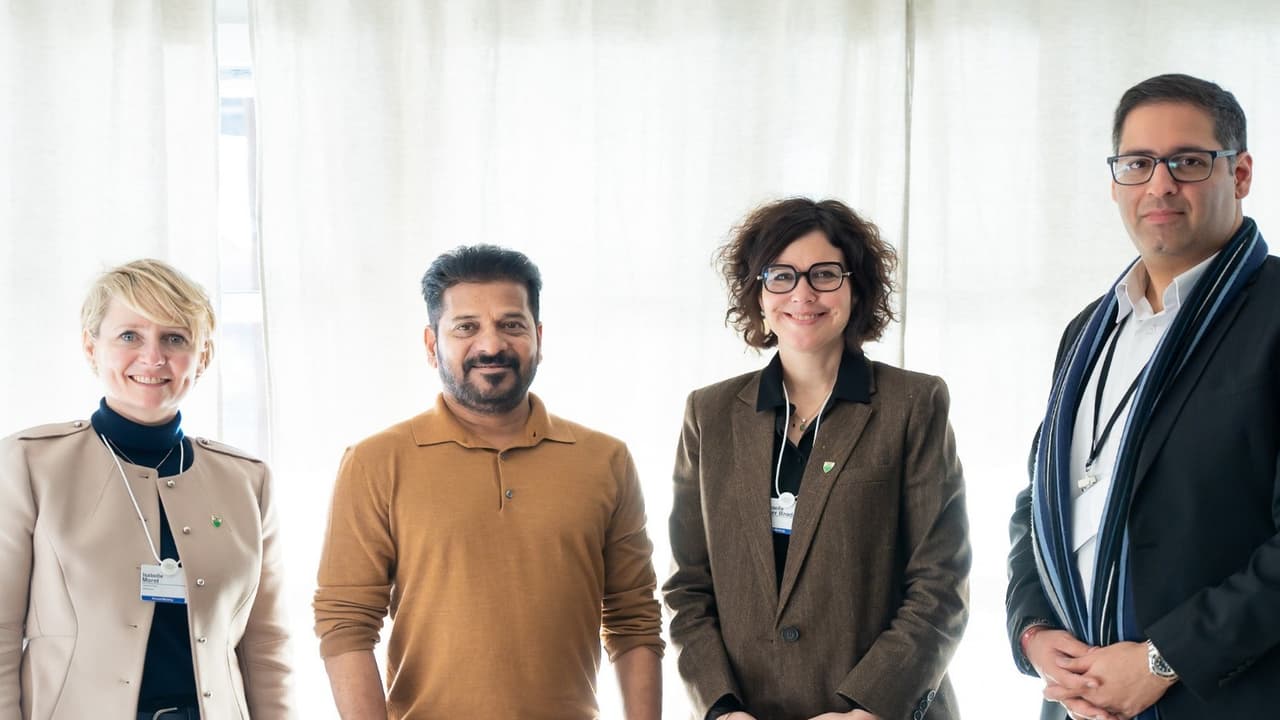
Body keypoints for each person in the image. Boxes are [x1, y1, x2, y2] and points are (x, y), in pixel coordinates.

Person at [1006, 73, 1279, 720]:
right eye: (1138, 164)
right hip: (1077, 702)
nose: (1160, 185)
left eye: (1187, 161)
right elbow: (1041, 500)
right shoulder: (1088, 331)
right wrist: (1033, 632)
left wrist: (1163, 659)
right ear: (1116, 182)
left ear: (1240, 173)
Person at [314, 244, 664, 720]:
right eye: (466, 327)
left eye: (512, 325)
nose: (491, 345)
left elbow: (633, 619)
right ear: (431, 344)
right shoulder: (374, 462)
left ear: (539, 337)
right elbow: (345, 623)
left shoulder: (605, 459)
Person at [664, 198, 970, 720]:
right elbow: (687, 588)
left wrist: (868, 709)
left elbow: (940, 585)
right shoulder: (709, 414)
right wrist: (720, 708)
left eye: (824, 274)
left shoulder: (913, 405)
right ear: (758, 293)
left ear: (856, 288)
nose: (803, 293)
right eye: (781, 276)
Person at [0, 259, 293, 719]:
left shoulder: (247, 479)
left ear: (203, 356)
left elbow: (267, 646)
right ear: (91, 347)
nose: (153, 357)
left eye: (174, 338)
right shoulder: (29, 463)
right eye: (129, 336)